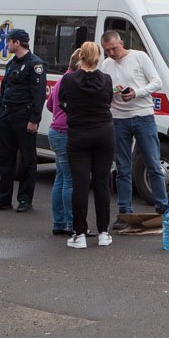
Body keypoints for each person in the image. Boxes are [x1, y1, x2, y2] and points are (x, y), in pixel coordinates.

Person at [99, 30, 167, 228]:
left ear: (122, 42)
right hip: (119, 118)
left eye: (114, 48)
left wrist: (136, 93)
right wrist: (115, 91)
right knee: (122, 167)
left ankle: (162, 207)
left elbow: (157, 82)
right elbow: (104, 90)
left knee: (153, 163)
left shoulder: (139, 57)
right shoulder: (106, 64)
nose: (112, 53)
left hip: (143, 115)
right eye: (107, 50)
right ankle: (124, 212)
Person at [59, 41, 115, 249]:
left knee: (80, 185)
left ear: (80, 56)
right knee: (102, 183)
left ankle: (79, 233)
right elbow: (108, 100)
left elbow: (62, 102)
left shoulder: (69, 80)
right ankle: (103, 232)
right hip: (104, 132)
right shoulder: (106, 79)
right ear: (99, 58)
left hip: (79, 134)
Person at [0, 29, 46, 213]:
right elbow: (5, 88)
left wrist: (34, 119)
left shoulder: (35, 64)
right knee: (5, 159)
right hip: (7, 116)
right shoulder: (11, 63)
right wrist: (1, 109)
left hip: (24, 117)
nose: (6, 44)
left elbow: (38, 95)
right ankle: (3, 199)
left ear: (17, 42)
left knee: (28, 160)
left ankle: (25, 199)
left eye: (8, 41)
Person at [44, 50, 80, 236]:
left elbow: (50, 105)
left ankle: (59, 222)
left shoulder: (61, 80)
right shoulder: (72, 82)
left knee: (61, 177)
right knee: (70, 180)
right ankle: (72, 223)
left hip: (55, 131)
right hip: (65, 133)